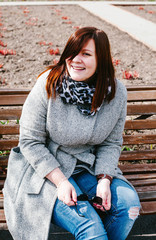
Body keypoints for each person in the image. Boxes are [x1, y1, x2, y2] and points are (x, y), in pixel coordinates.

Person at [3, 27, 140, 240]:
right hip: (45, 169)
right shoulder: (48, 84)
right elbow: (30, 142)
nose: (75, 60)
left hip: (88, 165)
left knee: (128, 206)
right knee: (91, 231)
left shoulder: (115, 92)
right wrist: (60, 182)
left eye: (86, 54)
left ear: (101, 59)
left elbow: (111, 143)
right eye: (72, 52)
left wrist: (104, 178)